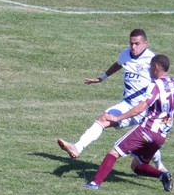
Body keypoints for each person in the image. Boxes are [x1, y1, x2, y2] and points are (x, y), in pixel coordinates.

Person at [83, 54, 174, 191]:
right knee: (137, 166)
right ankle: (163, 175)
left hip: (147, 129)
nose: (149, 71)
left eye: (150, 67)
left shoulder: (155, 85)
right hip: (161, 137)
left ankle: (95, 183)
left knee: (114, 152)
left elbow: (141, 107)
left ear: (156, 67)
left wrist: (118, 118)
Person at [57, 29, 168, 172]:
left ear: (145, 43)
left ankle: (159, 166)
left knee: (148, 141)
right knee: (103, 119)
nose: (133, 47)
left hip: (145, 110)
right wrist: (101, 78)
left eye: (137, 44)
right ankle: (77, 147)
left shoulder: (152, 60)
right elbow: (119, 64)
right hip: (127, 105)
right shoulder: (124, 55)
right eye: (131, 43)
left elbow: (162, 83)